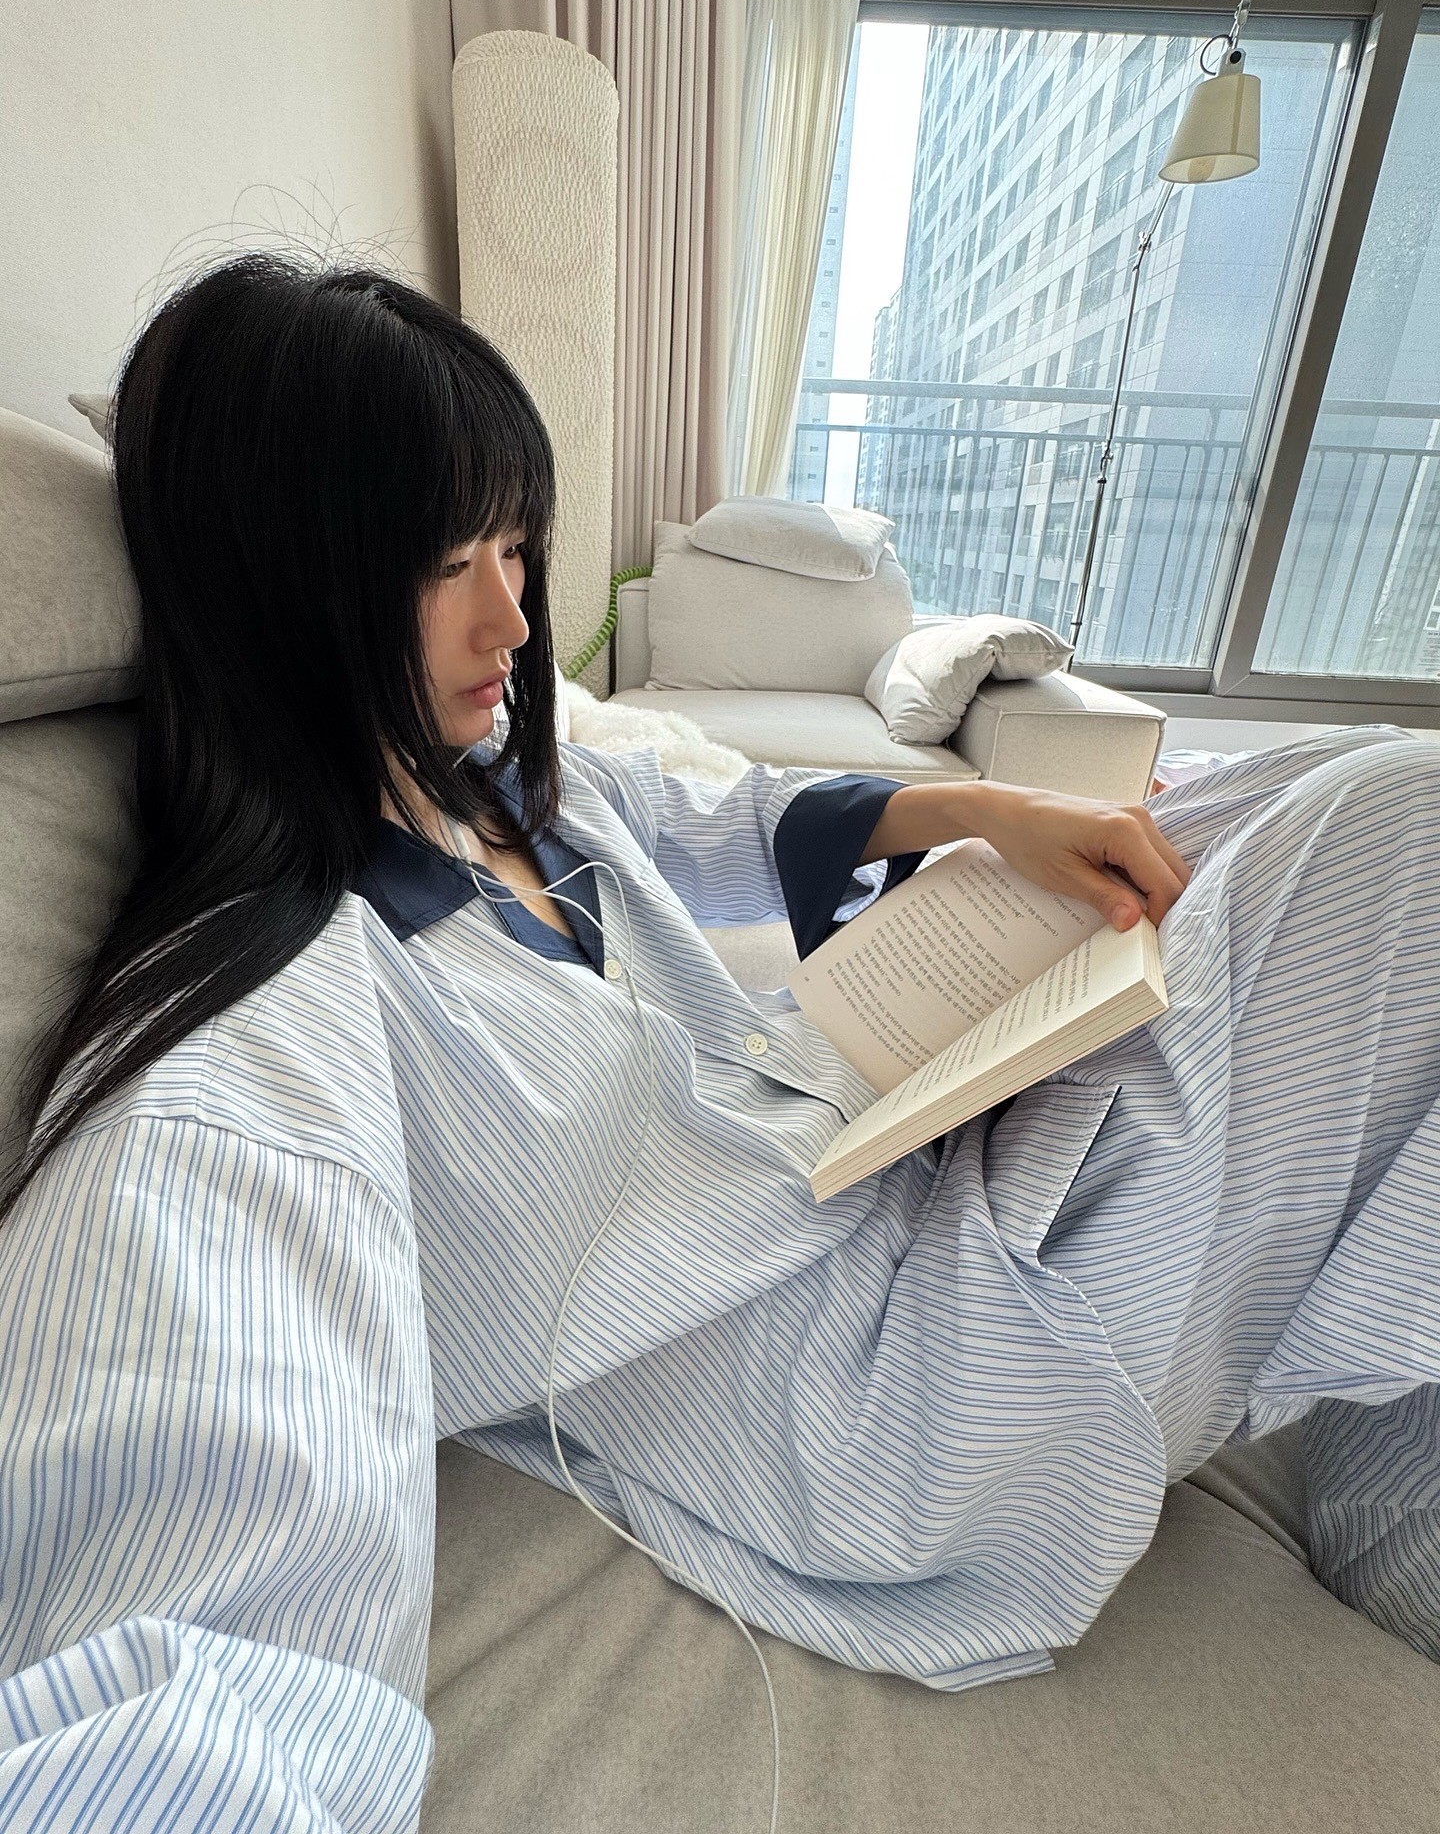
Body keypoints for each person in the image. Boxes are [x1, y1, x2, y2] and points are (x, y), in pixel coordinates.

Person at [2, 255, 1437, 1831]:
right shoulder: (264, 1037)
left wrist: (987, 808)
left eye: (514, 544)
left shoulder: (495, 781)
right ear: (276, 585)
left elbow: (724, 815)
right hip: (917, 1406)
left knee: (1274, 801)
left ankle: (1397, 1496)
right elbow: (197, 1626)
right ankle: (1409, 1525)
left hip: (904, 1181)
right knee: (1404, 831)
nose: (514, 617)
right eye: (443, 563)